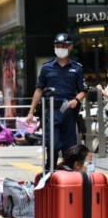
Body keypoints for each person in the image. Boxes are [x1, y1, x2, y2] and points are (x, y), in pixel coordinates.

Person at [26, 33, 86, 171]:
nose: (60, 48)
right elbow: (39, 90)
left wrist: (76, 100)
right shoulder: (47, 67)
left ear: (70, 47)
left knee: (69, 148)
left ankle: (69, 175)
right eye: (57, 45)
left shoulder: (77, 68)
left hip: (69, 113)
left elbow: (83, 90)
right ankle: (49, 173)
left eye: (63, 46)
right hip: (51, 112)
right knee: (52, 145)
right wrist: (30, 112)